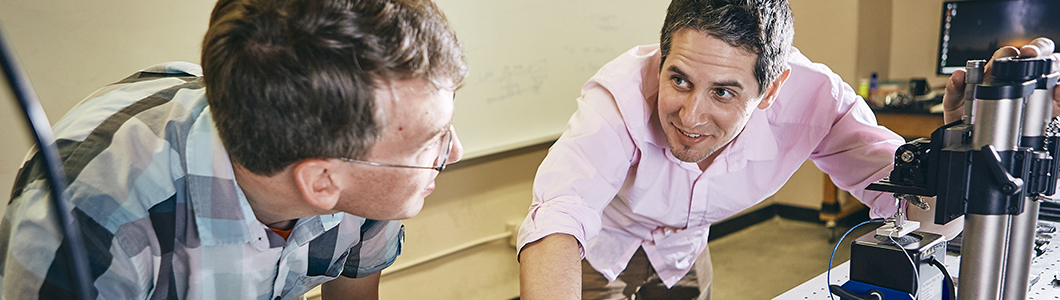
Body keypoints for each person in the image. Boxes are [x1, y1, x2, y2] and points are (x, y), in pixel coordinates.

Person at [515, 0, 1060, 299]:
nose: (689, 115)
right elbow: (560, 216)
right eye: (678, 80)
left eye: (724, 92)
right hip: (597, 254)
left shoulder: (816, 101)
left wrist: (960, 153)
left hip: (685, 258)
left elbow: (913, 211)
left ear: (771, 90)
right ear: (661, 58)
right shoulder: (618, 96)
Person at [0, 0, 466, 299]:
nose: (456, 151)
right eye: (432, 141)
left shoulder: (363, 181)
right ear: (321, 181)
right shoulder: (91, 227)